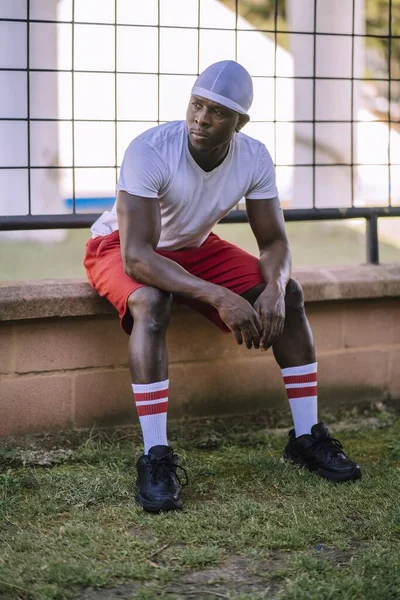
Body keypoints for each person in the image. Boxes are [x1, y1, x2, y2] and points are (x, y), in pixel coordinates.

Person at [84, 60, 361, 513]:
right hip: (121, 246)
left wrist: (272, 287)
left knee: (289, 294)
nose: (200, 118)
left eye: (216, 112)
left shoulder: (253, 156)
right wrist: (217, 294)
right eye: (196, 105)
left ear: (239, 122)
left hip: (195, 246)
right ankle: (156, 457)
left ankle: (307, 438)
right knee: (152, 303)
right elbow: (138, 255)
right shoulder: (150, 149)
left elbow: (274, 241)